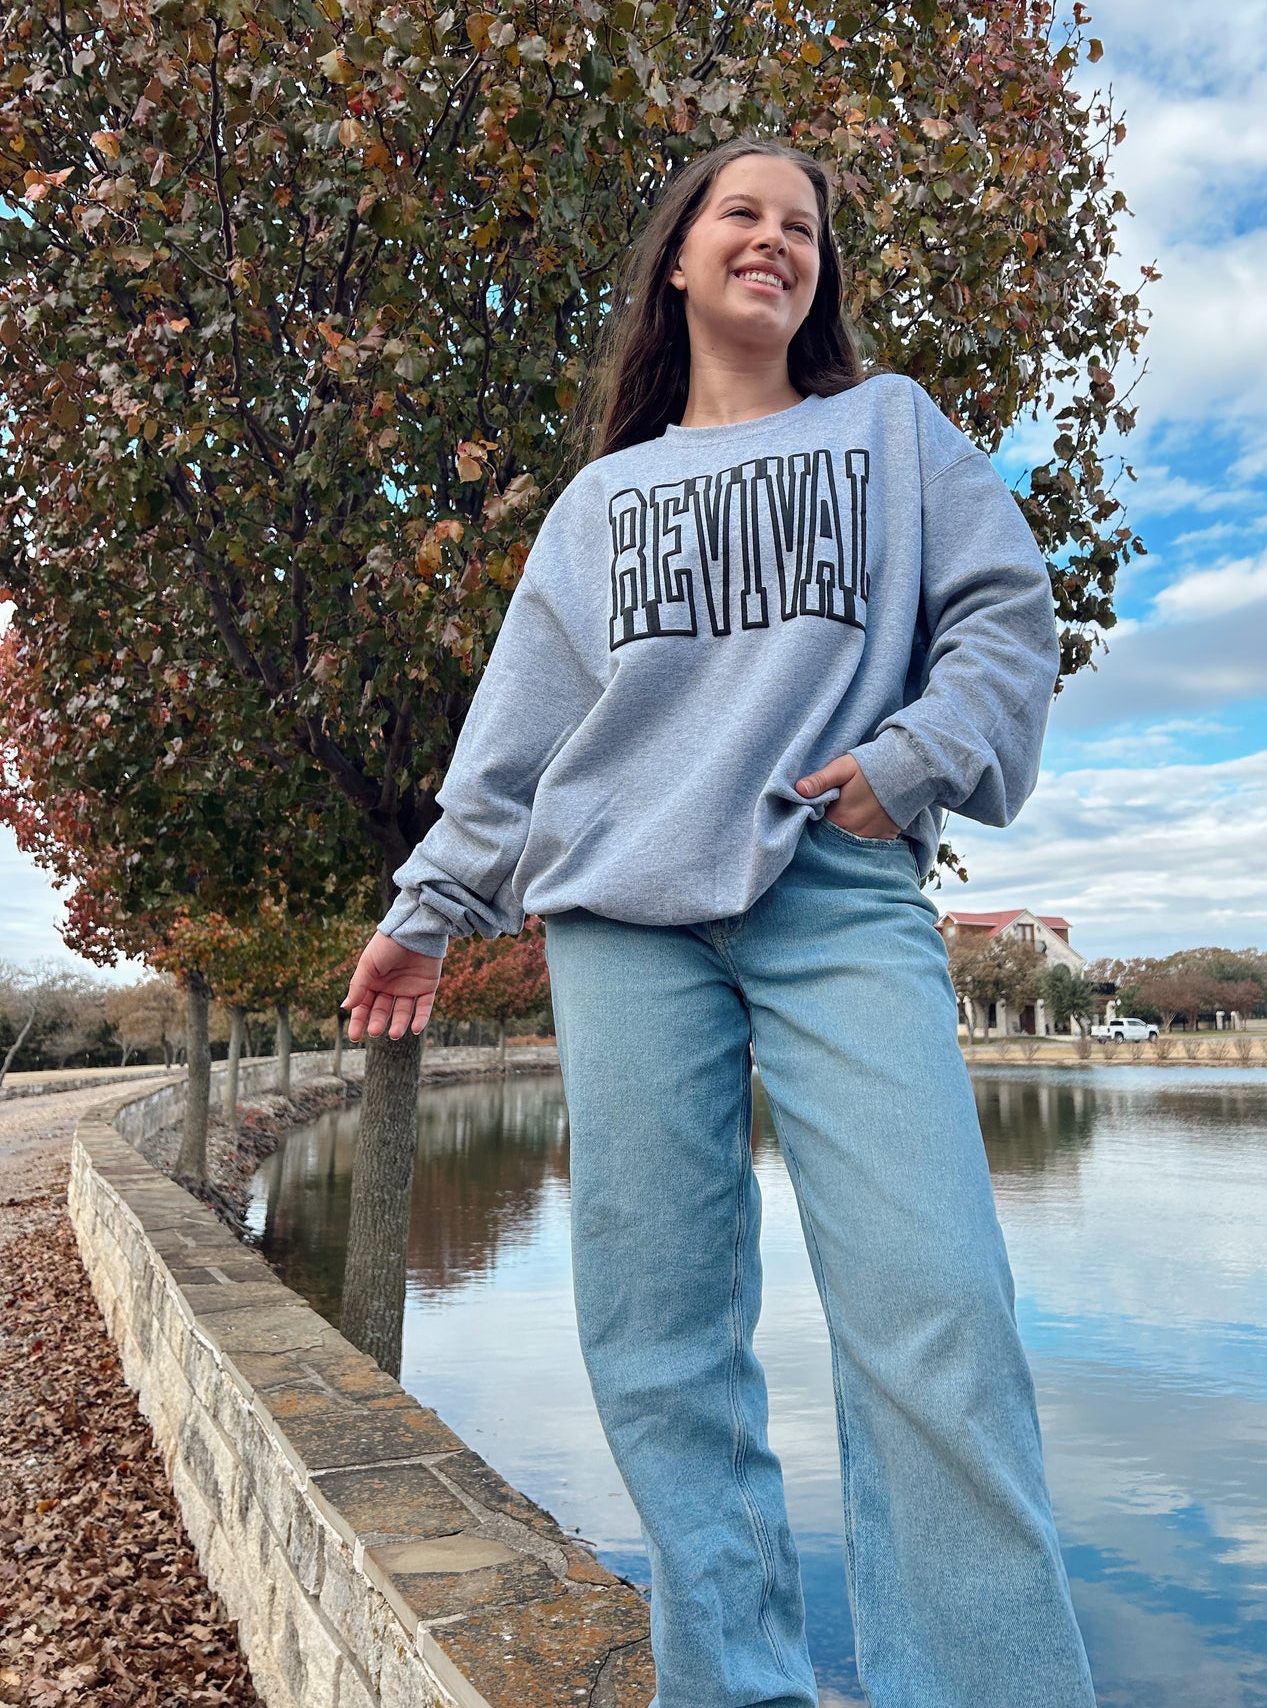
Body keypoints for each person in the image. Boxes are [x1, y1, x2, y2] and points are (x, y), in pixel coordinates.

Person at [342, 135, 1095, 1708]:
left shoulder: (887, 432)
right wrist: (429, 910)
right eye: (739, 214)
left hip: (832, 891)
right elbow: (520, 735)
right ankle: (734, 1686)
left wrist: (914, 760)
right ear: (678, 259)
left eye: (801, 224)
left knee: (935, 1306)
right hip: (620, 922)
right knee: (659, 1330)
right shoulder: (598, 505)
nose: (773, 238)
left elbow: (1005, 615)